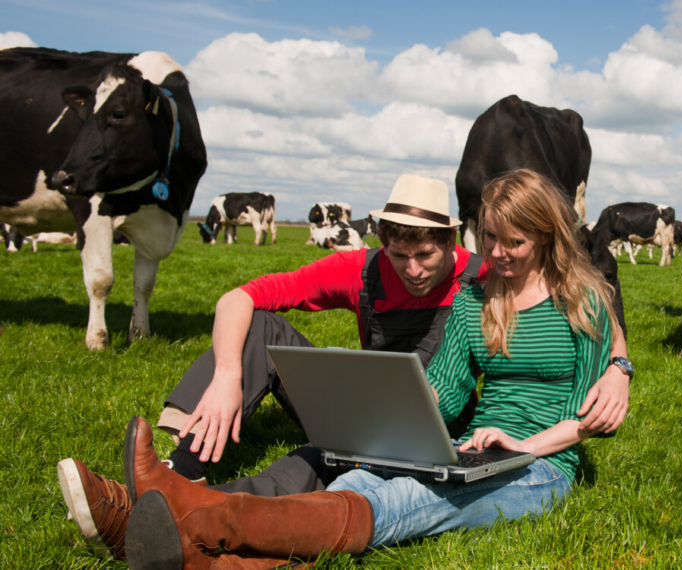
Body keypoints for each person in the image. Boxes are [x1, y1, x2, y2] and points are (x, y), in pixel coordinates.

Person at [57, 173, 632, 560]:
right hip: (442, 437)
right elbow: (447, 391)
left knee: (383, 493)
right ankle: (189, 499)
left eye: (513, 243)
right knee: (350, 470)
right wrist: (410, 412)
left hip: (539, 461)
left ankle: (193, 520)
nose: (500, 255)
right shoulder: (474, 298)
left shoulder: (533, 288)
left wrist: (618, 368)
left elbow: (589, 394)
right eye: (493, 240)